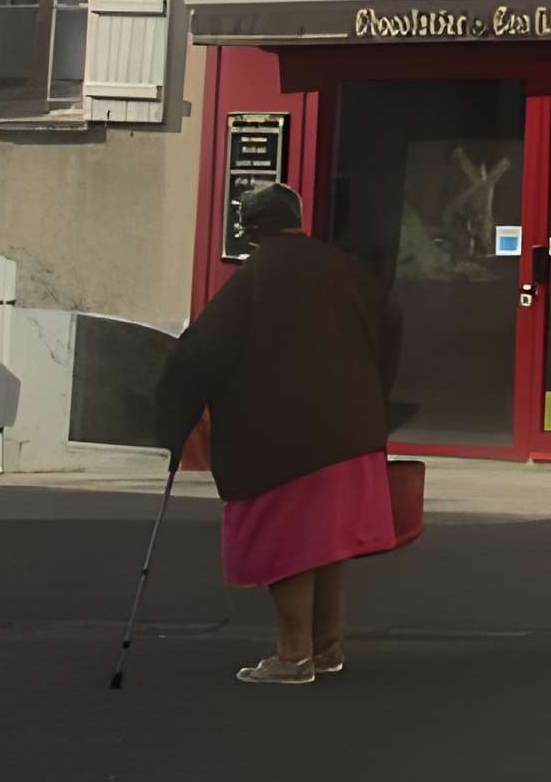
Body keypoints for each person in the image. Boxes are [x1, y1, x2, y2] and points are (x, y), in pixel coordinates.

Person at [154, 183, 406, 685]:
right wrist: (373, 395)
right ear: (297, 217)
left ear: (251, 229)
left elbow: (198, 354)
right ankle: (327, 648)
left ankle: (292, 657)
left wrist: (172, 419)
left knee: (286, 541)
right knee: (329, 541)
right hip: (352, 430)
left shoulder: (258, 276)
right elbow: (391, 323)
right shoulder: (345, 269)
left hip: (284, 437)